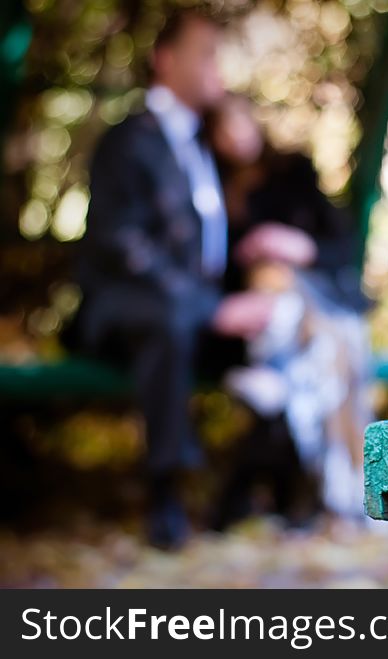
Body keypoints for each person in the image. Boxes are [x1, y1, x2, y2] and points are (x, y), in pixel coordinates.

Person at [75, 10, 275, 549]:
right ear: (166, 60)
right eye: (206, 52)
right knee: (169, 323)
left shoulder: (207, 146)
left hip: (197, 309)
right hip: (126, 309)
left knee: (281, 328)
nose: (218, 66)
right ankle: (165, 492)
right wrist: (210, 307)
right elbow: (122, 246)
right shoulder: (127, 140)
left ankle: (255, 486)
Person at [206, 95, 374, 523]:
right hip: (250, 323)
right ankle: (334, 490)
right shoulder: (208, 189)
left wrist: (298, 248)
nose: (233, 136)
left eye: (237, 122)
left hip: (310, 314)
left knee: (321, 354)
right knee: (305, 341)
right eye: (221, 128)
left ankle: (339, 484)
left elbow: (341, 248)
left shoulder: (293, 174)